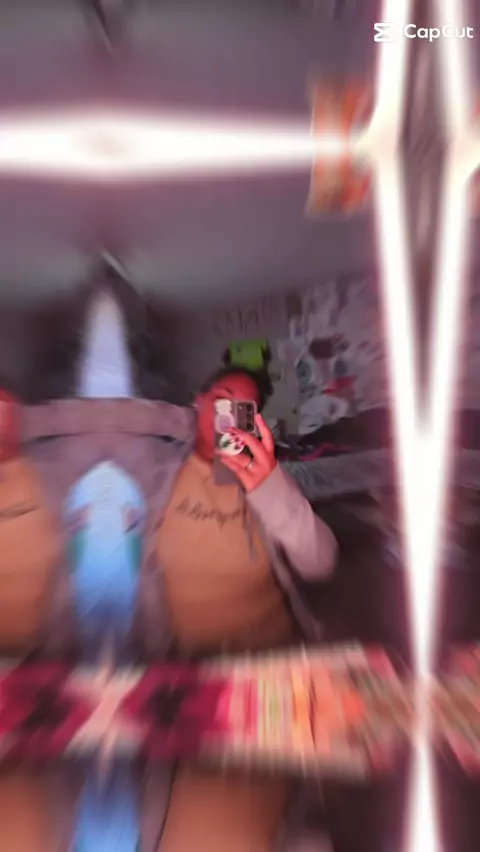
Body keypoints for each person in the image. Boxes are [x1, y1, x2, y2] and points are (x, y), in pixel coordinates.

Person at [151, 365, 338, 852]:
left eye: (245, 408)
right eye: (224, 398)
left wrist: (270, 487)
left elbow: (321, 562)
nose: (230, 415)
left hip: (270, 671)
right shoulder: (157, 478)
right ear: (198, 402)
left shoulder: (264, 479)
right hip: (191, 678)